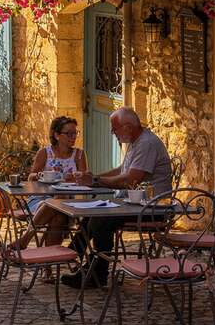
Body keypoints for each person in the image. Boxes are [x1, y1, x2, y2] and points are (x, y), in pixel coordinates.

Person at [61, 107, 174, 289]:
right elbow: (122, 170)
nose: (113, 133)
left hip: (151, 209)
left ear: (128, 127)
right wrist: (93, 177)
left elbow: (130, 180)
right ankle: (73, 257)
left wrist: (97, 181)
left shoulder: (147, 144)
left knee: (100, 222)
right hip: (133, 204)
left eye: (115, 129)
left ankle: (96, 273)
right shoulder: (137, 141)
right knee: (91, 214)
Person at [18, 116, 87, 251]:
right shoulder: (45, 153)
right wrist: (39, 175)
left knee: (60, 212)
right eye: (69, 133)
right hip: (39, 199)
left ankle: (26, 240)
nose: (73, 137)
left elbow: (85, 180)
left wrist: (75, 178)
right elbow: (31, 177)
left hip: (67, 201)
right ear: (56, 135)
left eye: (75, 133)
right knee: (58, 213)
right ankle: (49, 265)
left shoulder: (79, 154)